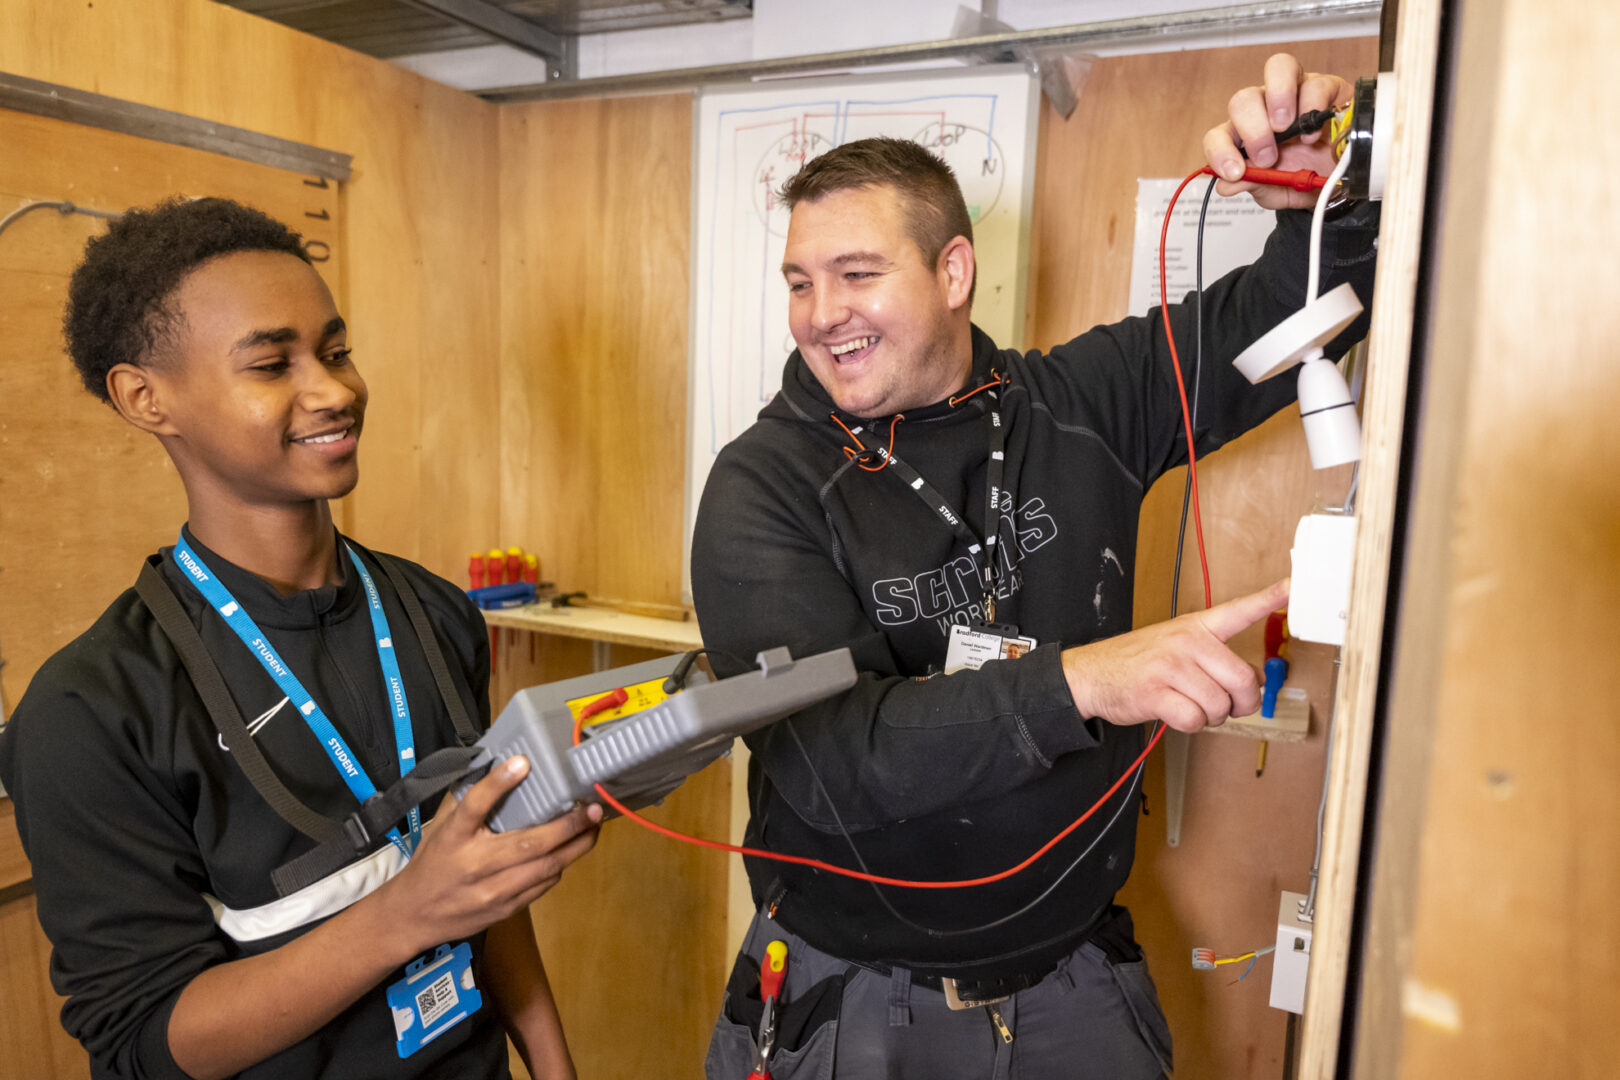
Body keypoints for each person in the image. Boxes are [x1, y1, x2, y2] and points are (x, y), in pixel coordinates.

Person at [693, 55, 1379, 1077]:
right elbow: (830, 758)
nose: (819, 311)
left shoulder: (1083, 400)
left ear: (954, 272)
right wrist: (1087, 678)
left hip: (1076, 985)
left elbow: (1288, 320)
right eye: (800, 281)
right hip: (859, 999)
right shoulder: (764, 483)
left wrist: (1327, 180)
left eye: (856, 274)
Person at [0, 198, 600, 1080]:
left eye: (337, 350)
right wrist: (410, 913)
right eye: (273, 363)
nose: (334, 390)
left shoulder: (433, 614)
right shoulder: (91, 709)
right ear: (146, 397)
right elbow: (144, 1044)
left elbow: (477, 872)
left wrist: (551, 1063)